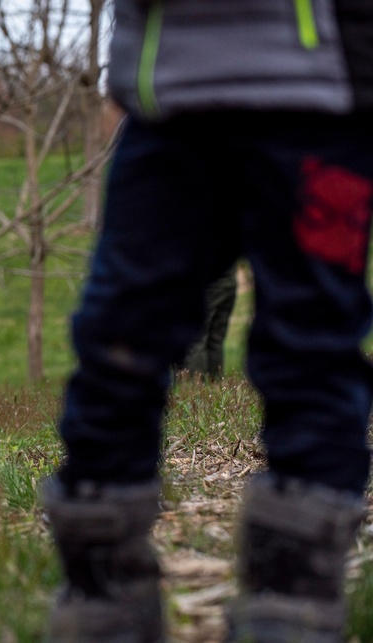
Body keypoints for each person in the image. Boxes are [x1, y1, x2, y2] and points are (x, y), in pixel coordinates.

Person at [42, 2, 372, 641]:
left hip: (326, 99)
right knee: (117, 340)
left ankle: (295, 602)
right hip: (167, 104)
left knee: (315, 346)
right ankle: (104, 595)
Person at [181, 263, 238, 380]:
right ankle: (214, 384)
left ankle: (194, 387)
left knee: (198, 337)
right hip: (229, 281)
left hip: (209, 282)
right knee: (216, 337)